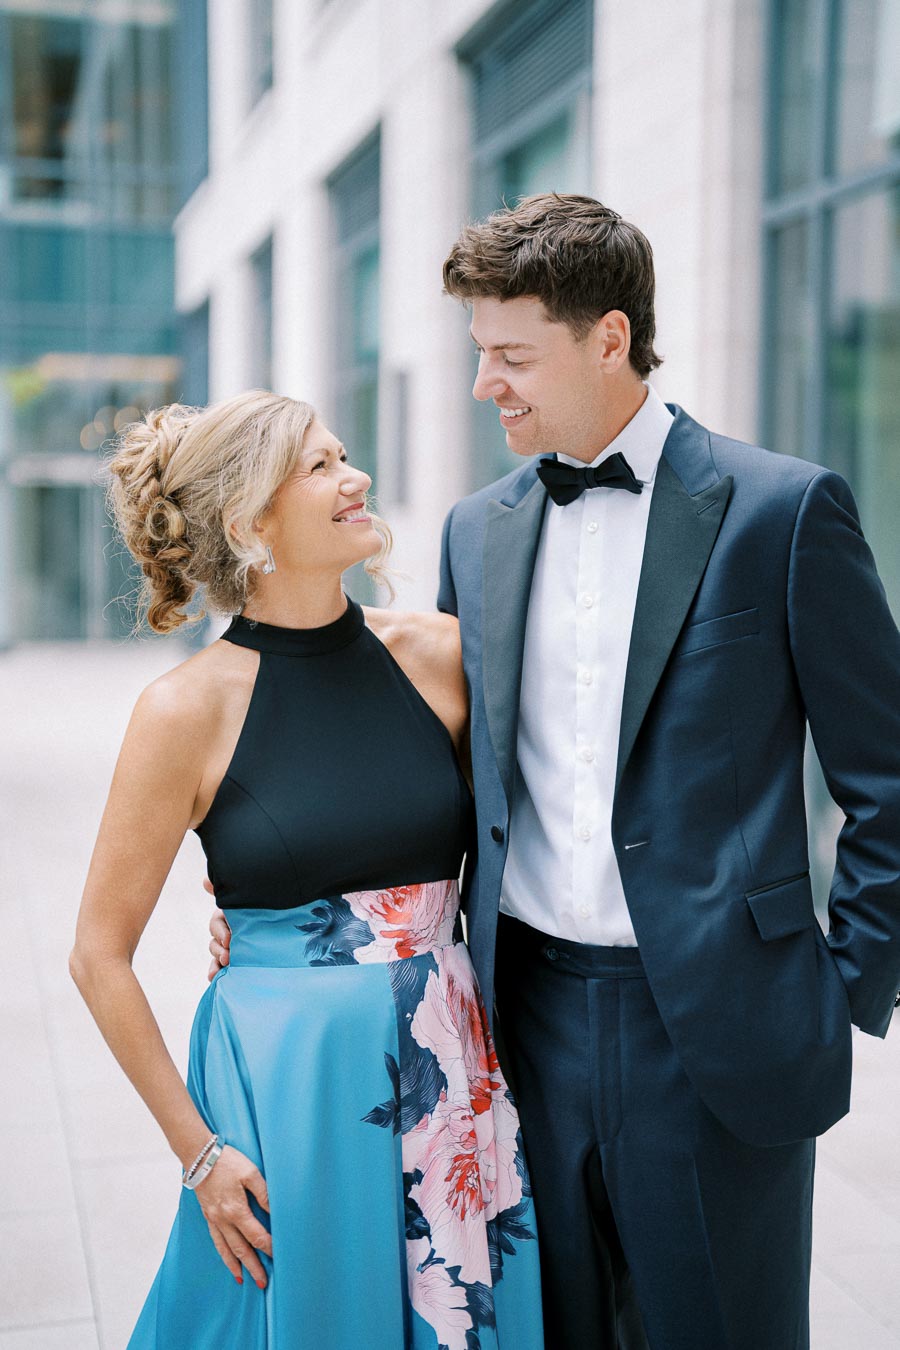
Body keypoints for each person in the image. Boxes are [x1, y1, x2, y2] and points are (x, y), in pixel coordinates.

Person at [203, 194, 900, 1350]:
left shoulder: (783, 510)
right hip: (516, 1030)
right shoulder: (476, 531)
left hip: (724, 1031)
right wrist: (282, 901)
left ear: (610, 338)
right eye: (482, 354)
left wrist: (845, 988)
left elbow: (885, 775)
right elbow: (420, 765)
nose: (488, 385)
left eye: (512, 355)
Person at [70, 390, 543, 1350]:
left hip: (450, 1067)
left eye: (343, 455)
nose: (355, 477)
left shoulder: (444, 655)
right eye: (321, 466)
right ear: (249, 521)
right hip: (284, 1085)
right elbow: (97, 956)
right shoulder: (183, 711)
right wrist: (199, 1155)